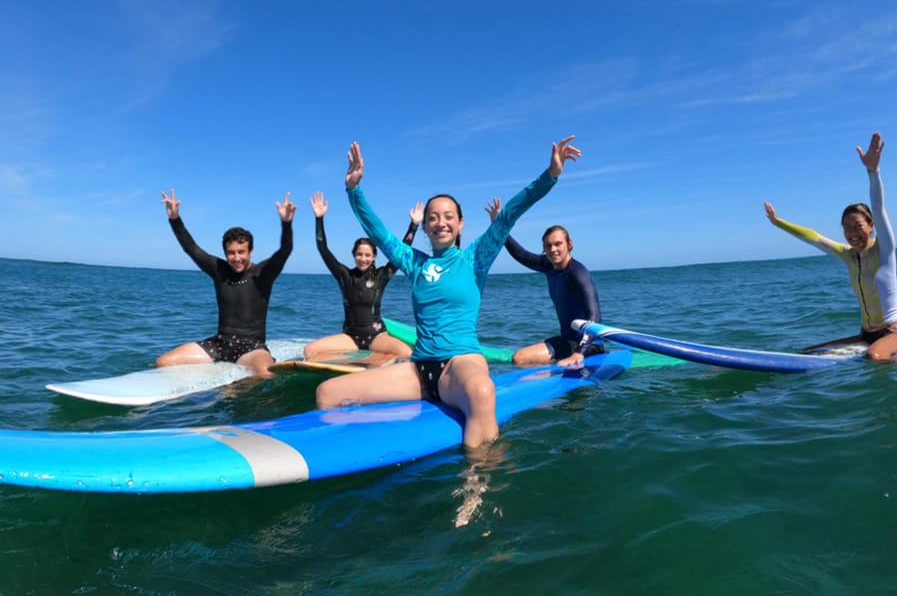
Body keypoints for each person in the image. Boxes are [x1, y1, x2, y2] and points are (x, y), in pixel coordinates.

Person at [315, 136, 580, 453]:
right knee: (327, 393)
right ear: (425, 227)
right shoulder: (415, 263)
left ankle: (475, 491)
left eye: (448, 216)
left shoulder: (474, 258)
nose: (440, 222)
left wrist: (550, 175)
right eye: (433, 217)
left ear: (460, 223)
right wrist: (354, 190)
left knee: (482, 391)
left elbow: (510, 213)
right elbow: (380, 235)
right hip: (418, 371)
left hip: (460, 364)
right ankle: (350, 456)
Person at [763, 132, 897, 360]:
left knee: (874, 356)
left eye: (857, 226)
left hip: (893, 332)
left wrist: (873, 171)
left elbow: (879, 210)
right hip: (865, 335)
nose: (852, 233)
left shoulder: (884, 250)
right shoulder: (848, 255)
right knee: (810, 353)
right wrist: (778, 222)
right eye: (846, 227)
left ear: (871, 226)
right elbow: (813, 237)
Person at [156, 189, 297, 377]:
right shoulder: (219, 270)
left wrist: (286, 223)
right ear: (225, 253)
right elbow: (191, 248)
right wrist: (175, 218)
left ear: (250, 252)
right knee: (163, 362)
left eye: (241, 252)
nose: (236, 257)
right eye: (231, 252)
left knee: (265, 373)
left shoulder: (262, 274)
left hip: (251, 348)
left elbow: (285, 251)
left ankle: (247, 383)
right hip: (220, 344)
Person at [303, 191, 423, 360]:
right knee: (310, 351)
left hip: (377, 336)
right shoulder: (345, 275)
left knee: (406, 352)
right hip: (350, 337)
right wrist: (319, 218)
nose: (363, 259)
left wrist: (414, 225)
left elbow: (401, 253)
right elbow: (323, 249)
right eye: (359, 254)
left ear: (374, 257)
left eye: (367, 255)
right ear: (354, 255)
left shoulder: (382, 275)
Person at [482, 203, 603, 366]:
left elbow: (594, 317)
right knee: (530, 352)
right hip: (567, 340)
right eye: (548, 246)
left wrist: (580, 353)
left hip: (587, 345)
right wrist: (500, 226)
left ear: (570, 244)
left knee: (520, 358)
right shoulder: (548, 265)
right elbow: (520, 254)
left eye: (558, 244)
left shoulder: (578, 274)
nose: (553, 249)